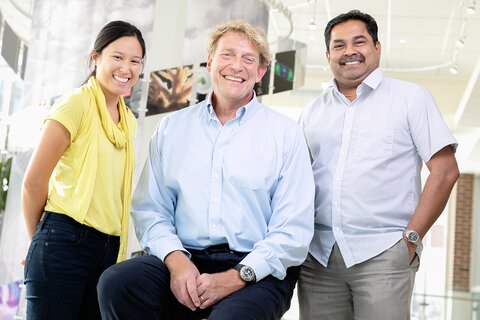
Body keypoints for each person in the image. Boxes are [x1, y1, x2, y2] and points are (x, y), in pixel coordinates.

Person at [97, 19, 315, 320]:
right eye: (227, 55)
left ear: (260, 72)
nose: (236, 66)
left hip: (256, 270)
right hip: (185, 258)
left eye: (248, 59)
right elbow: (151, 210)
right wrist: (176, 261)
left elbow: (293, 231)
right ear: (210, 62)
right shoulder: (172, 128)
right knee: (118, 283)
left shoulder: (286, 135)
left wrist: (236, 277)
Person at [298, 10, 460, 320]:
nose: (349, 52)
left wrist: (411, 240)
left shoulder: (410, 98)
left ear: (377, 47)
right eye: (339, 45)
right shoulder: (312, 111)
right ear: (328, 54)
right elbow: (296, 180)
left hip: (383, 253)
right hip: (318, 257)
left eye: (359, 41)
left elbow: (446, 170)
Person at [21, 20, 145, 320]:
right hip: (63, 241)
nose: (126, 68)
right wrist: (39, 242)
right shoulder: (75, 104)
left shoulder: (128, 121)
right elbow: (33, 183)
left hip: (108, 250)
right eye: (117, 57)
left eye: (135, 61)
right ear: (96, 57)